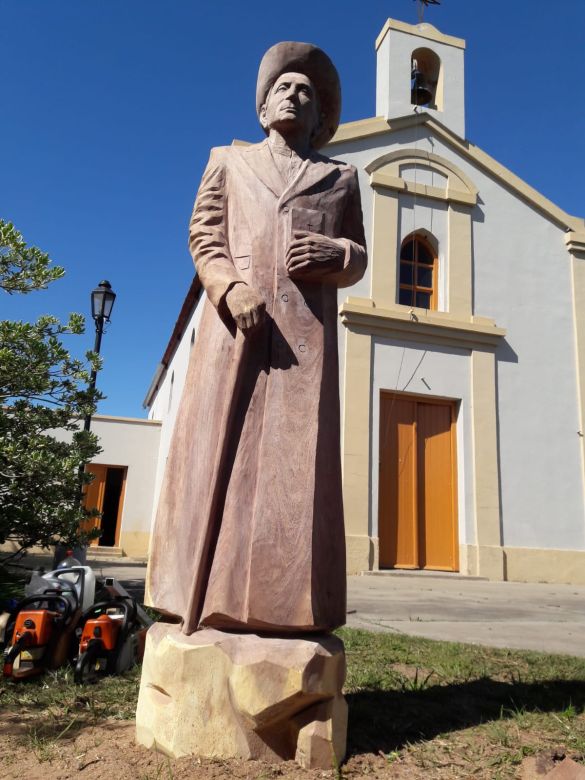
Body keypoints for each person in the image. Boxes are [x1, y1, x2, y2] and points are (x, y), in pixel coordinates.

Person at [145, 42, 367, 635]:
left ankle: (285, 608)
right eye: (283, 89)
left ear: (321, 117)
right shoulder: (228, 161)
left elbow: (359, 254)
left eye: (307, 93)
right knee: (222, 458)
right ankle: (201, 596)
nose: (294, 96)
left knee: (296, 472)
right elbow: (204, 233)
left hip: (304, 343)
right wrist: (228, 288)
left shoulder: (340, 178)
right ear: (264, 108)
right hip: (234, 332)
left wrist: (338, 253)